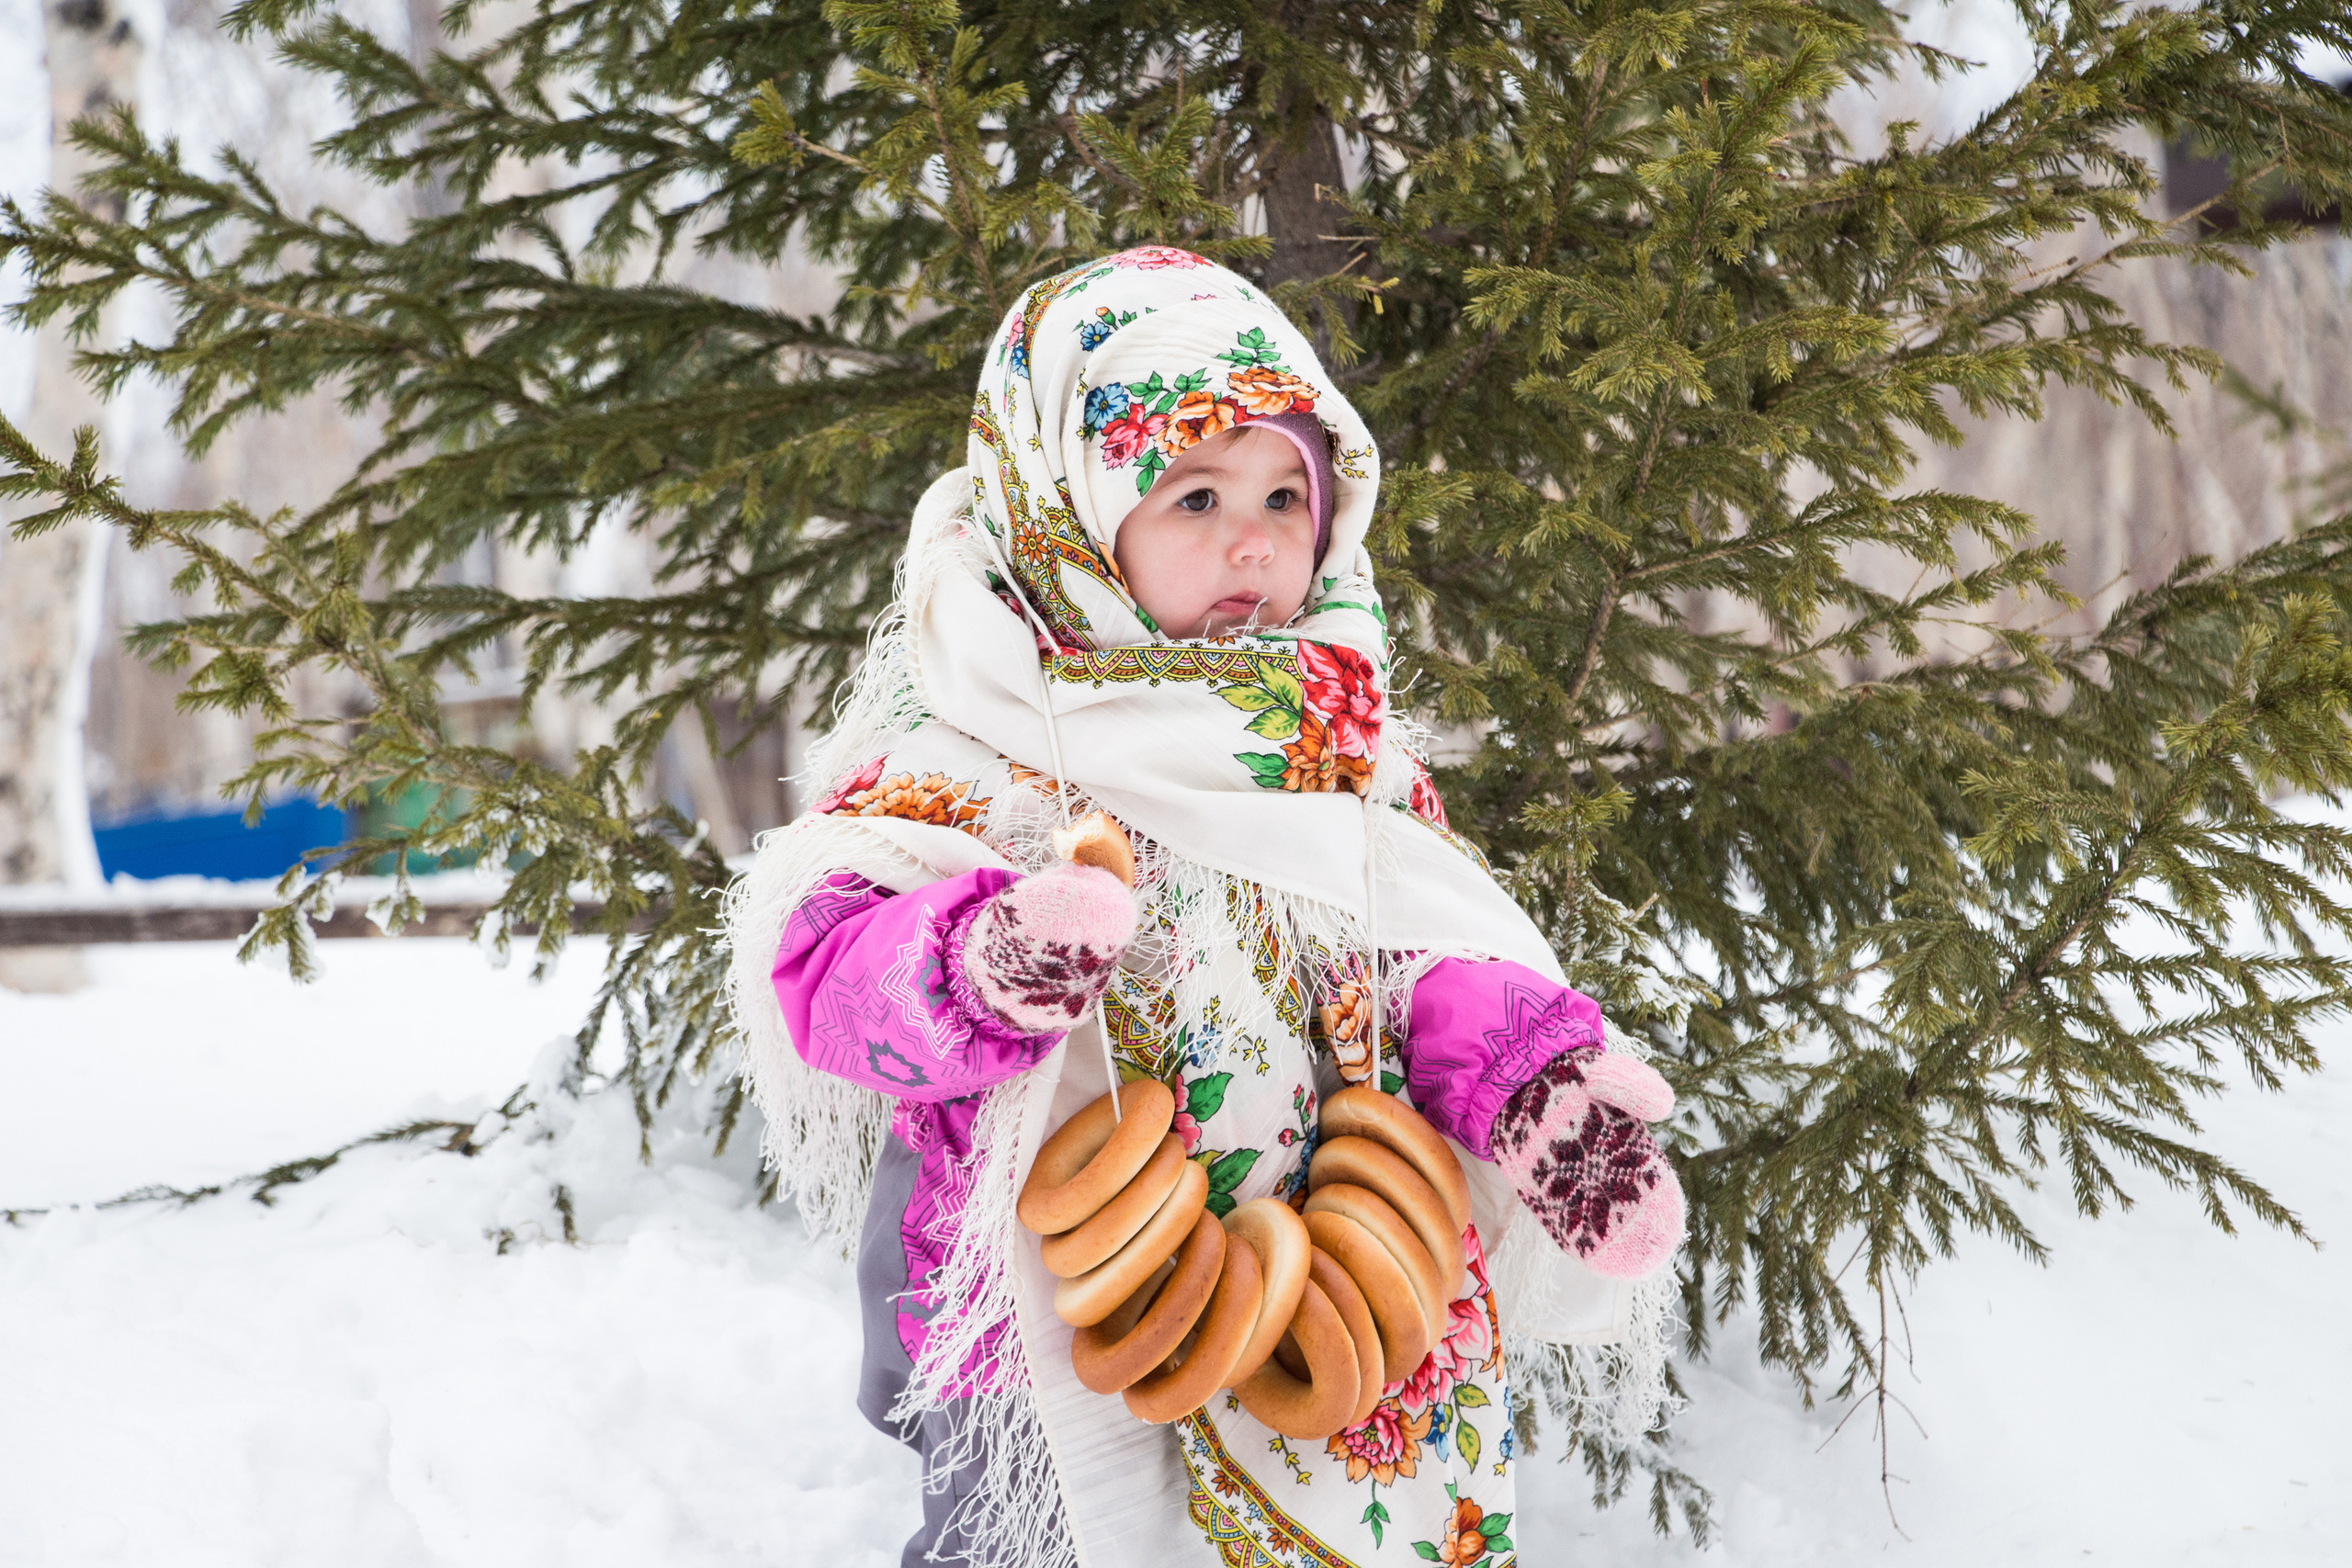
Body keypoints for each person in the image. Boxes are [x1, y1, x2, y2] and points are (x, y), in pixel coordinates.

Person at [726, 247, 1684, 1568]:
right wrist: (980, 965)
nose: (1256, 538)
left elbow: (1426, 962)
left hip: (1342, 1291)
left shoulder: (1335, 741)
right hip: (1057, 1320)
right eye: (1193, 494)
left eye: (1288, 492)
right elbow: (827, 984)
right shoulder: (971, 734)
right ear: (1068, 512)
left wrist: (1532, 1092)